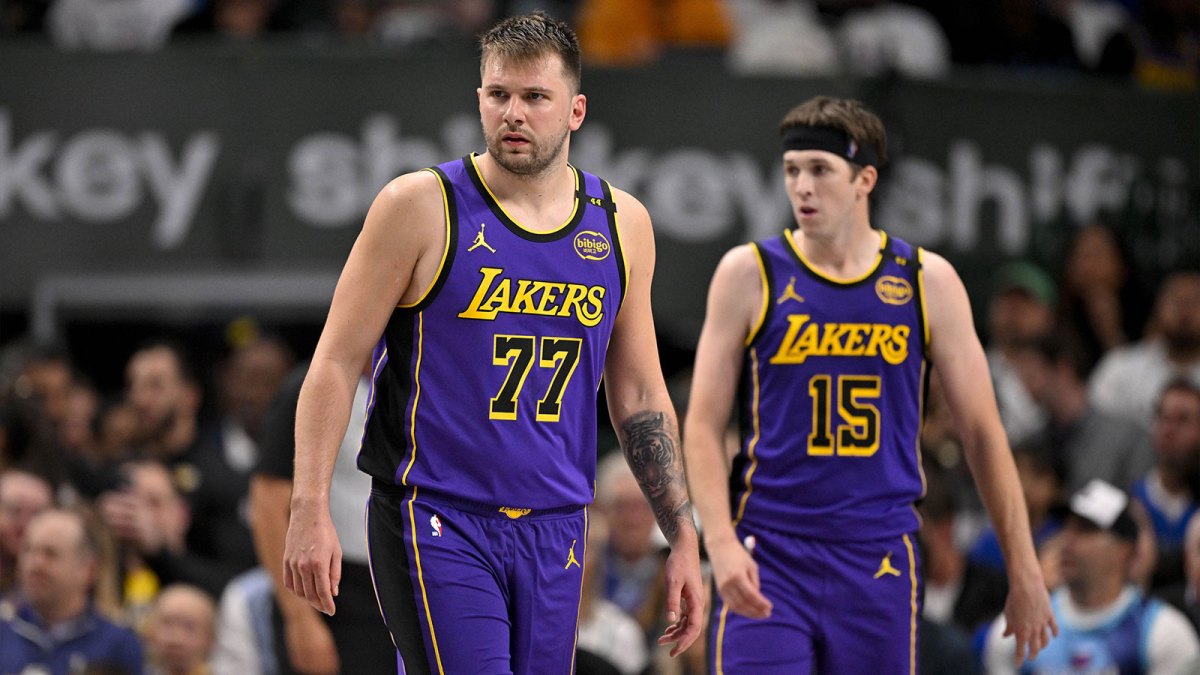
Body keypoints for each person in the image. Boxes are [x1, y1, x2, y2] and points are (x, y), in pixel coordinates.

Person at [282, 12, 704, 674]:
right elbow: (334, 362)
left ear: (575, 111)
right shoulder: (419, 205)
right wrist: (308, 506)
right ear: (479, 99)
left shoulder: (622, 223)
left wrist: (680, 534)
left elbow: (642, 393)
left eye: (535, 97)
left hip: (558, 524)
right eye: (499, 94)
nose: (514, 113)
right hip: (437, 513)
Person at [682, 95, 1056, 673]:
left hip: (878, 554)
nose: (802, 187)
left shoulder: (927, 282)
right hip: (770, 549)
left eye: (820, 169)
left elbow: (983, 434)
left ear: (865, 180)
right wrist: (721, 543)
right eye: (792, 170)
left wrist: (1024, 569)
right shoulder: (748, 273)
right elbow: (703, 426)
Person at [251, 363, 395, 675]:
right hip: (333, 590)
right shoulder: (312, 384)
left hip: (400, 584)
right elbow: (268, 503)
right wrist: (300, 618)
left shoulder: (418, 381)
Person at [983, 479, 1200, 674]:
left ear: (1124, 549)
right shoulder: (1019, 627)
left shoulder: (1163, 632)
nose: (1068, 540)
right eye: (1067, 527)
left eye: (1086, 530)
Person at [0, 507, 144, 675]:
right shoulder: (5, 630)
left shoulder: (117, 646)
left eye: (51, 554)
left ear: (88, 569)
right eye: (28, 550)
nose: (35, 564)